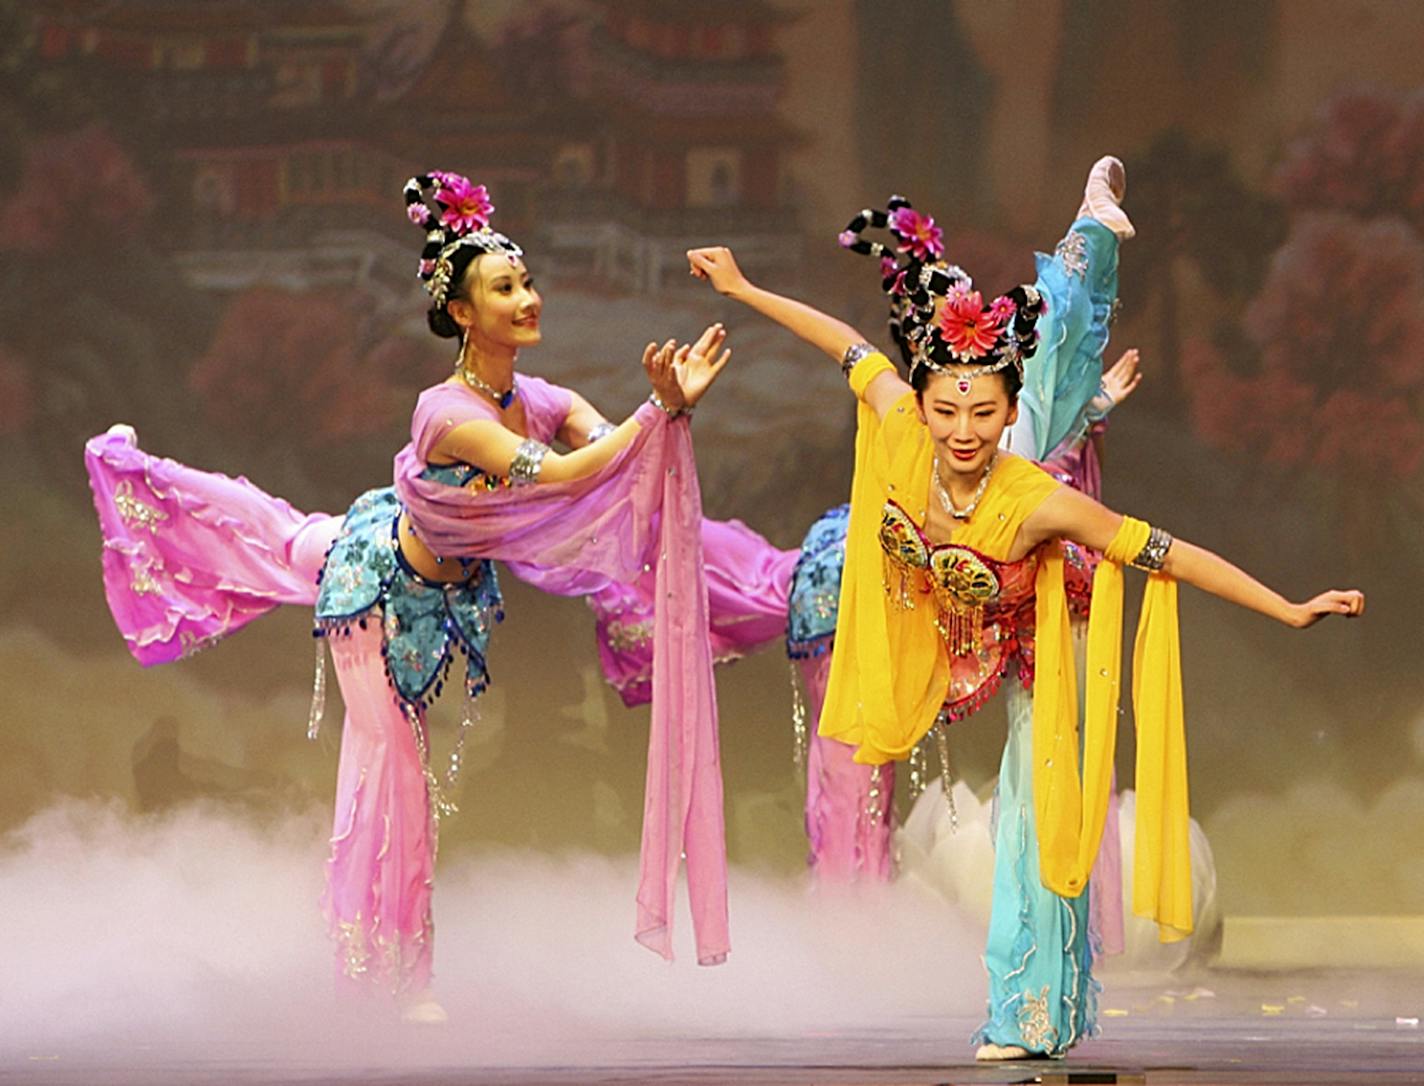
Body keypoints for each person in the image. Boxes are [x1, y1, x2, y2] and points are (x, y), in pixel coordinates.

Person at [684, 172, 1363, 1059]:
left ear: (1006, 417)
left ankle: (1027, 1015)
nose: (963, 430)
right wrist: (740, 289)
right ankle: (1090, 229)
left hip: (1046, 634)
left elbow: (1163, 550)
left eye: (984, 412)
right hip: (950, 630)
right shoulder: (898, 427)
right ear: (923, 405)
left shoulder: (1034, 496)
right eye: (948, 409)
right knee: (1051, 361)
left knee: (1035, 817)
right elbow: (846, 342)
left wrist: (1287, 608)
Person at [85, 171, 733, 1022]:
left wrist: (670, 414)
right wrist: (656, 410)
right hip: (375, 595)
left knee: (272, 533)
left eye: (528, 282)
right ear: (462, 312)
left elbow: (618, 459)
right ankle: (397, 981)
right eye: (506, 288)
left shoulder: (540, 398)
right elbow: (571, 475)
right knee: (395, 782)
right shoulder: (446, 414)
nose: (529, 298)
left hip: (432, 596)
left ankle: (148, 480)